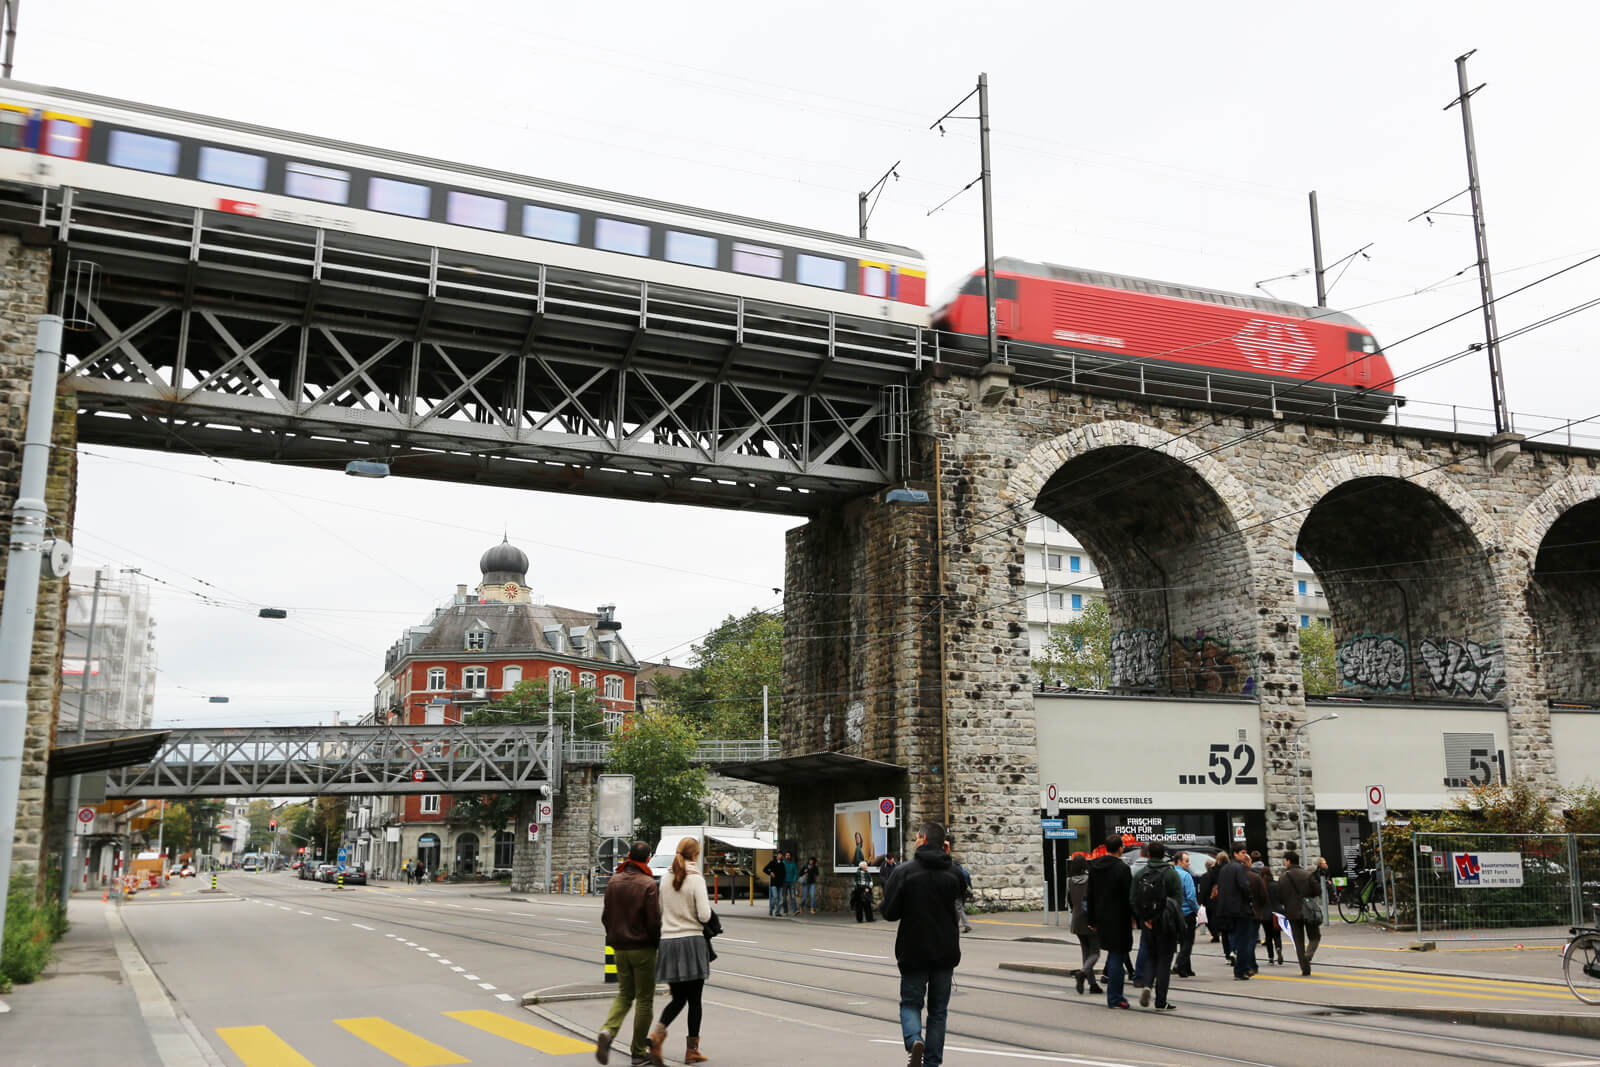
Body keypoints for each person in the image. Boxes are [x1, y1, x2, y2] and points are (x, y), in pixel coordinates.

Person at [882, 820, 965, 1067]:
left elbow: (889, 912)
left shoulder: (904, 872)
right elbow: (961, 895)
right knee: (938, 1013)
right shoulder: (954, 873)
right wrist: (947, 858)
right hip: (945, 952)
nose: (914, 841)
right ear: (944, 845)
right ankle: (931, 1063)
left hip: (914, 951)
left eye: (917, 837)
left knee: (910, 1004)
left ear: (923, 840)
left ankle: (914, 1040)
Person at [596, 841, 662, 1066]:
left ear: (627, 856)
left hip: (619, 948)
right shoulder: (648, 884)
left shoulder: (614, 881)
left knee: (624, 995)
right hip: (643, 948)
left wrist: (614, 937)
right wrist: (655, 944)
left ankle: (608, 1031)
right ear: (648, 859)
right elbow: (654, 921)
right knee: (644, 1000)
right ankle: (638, 1052)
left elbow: (606, 917)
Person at [648, 837, 712, 1065]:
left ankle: (656, 1035)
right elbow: (704, 916)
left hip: (668, 943)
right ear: (695, 855)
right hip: (691, 943)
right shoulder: (696, 879)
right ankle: (692, 1050)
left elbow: (660, 910)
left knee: (678, 998)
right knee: (695, 1000)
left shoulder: (664, 878)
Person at [1130, 841, 1182, 1012]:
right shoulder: (1171, 873)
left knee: (1151, 956)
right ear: (1164, 854)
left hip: (1148, 922)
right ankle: (1161, 1001)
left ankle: (1147, 986)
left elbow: (1133, 899)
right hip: (1167, 923)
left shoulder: (1141, 873)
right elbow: (1178, 901)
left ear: (1148, 854)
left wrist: (1143, 918)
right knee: (1164, 961)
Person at [1084, 834, 1134, 1009]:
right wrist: (1134, 917)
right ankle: (1114, 997)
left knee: (1114, 954)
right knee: (1116, 956)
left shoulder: (1095, 867)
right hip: (1119, 917)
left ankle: (1115, 996)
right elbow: (1129, 896)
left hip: (1101, 917)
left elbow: (1089, 895)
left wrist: (1091, 919)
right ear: (1120, 848)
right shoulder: (1122, 869)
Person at [1280, 852, 1329, 975]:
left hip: (1292, 913)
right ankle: (1309, 954)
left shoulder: (1283, 877)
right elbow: (1318, 890)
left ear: (1288, 861)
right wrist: (1308, 896)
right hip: (1308, 910)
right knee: (1315, 936)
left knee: (1298, 940)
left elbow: (1279, 896)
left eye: (1285, 861)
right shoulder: (1308, 874)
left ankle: (1305, 968)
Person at [1065, 854, 1102, 996]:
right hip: (1090, 919)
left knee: (1085, 952)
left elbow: (1069, 901)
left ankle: (1093, 985)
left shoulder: (1069, 881)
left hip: (1076, 920)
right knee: (1095, 952)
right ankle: (1082, 973)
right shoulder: (1091, 880)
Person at [1216, 846, 1255, 980]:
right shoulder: (1239, 868)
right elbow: (1244, 886)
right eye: (1243, 853)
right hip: (1240, 909)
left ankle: (1239, 965)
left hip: (1227, 910)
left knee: (1235, 938)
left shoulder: (1224, 868)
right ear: (1235, 854)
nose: (1245, 855)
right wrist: (1250, 898)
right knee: (1244, 940)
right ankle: (1241, 969)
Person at [1172, 851, 1199, 978]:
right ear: (1179, 861)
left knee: (1182, 941)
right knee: (1188, 942)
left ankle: (1186, 969)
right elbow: (1191, 897)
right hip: (1187, 913)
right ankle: (1179, 964)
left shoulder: (1170, 874)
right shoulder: (1186, 876)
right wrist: (1197, 909)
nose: (1189, 863)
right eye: (1186, 861)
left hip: (1173, 912)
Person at [1258, 860, 1284, 965]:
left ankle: (1271, 957)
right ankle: (1278, 948)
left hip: (1265, 915)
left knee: (1268, 936)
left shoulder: (1261, 887)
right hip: (1276, 913)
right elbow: (1281, 899)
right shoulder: (1276, 885)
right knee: (1277, 935)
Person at [762, 853, 786, 917]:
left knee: (780, 899)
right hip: (774, 883)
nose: (780, 856)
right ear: (777, 855)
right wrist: (770, 873)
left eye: (781, 855)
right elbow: (764, 869)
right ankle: (771, 909)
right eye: (779, 855)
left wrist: (783, 881)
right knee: (775, 897)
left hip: (780, 884)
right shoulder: (772, 862)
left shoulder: (782, 864)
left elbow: (784, 873)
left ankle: (777, 912)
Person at [782, 851, 800, 917]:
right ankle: (785, 911)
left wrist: (794, 879)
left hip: (791, 882)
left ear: (790, 856)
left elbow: (796, 872)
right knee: (784, 898)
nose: (787, 856)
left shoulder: (793, 864)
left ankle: (795, 910)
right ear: (785, 856)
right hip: (784, 882)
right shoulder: (783, 863)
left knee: (793, 897)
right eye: (786, 855)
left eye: (789, 855)